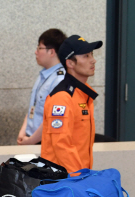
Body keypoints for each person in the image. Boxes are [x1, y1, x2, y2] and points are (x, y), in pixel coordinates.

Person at [40, 35, 102, 173]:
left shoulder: (83, 95)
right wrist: (80, 177)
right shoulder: (62, 97)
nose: (93, 60)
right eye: (86, 56)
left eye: (92, 54)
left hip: (76, 178)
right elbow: (62, 145)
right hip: (63, 181)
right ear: (70, 63)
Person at [17, 29, 66, 145]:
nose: (36, 52)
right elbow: (34, 107)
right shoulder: (43, 75)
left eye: (39, 48)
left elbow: (53, 118)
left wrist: (30, 141)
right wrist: (23, 133)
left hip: (44, 142)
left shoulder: (60, 80)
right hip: (31, 139)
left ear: (52, 52)